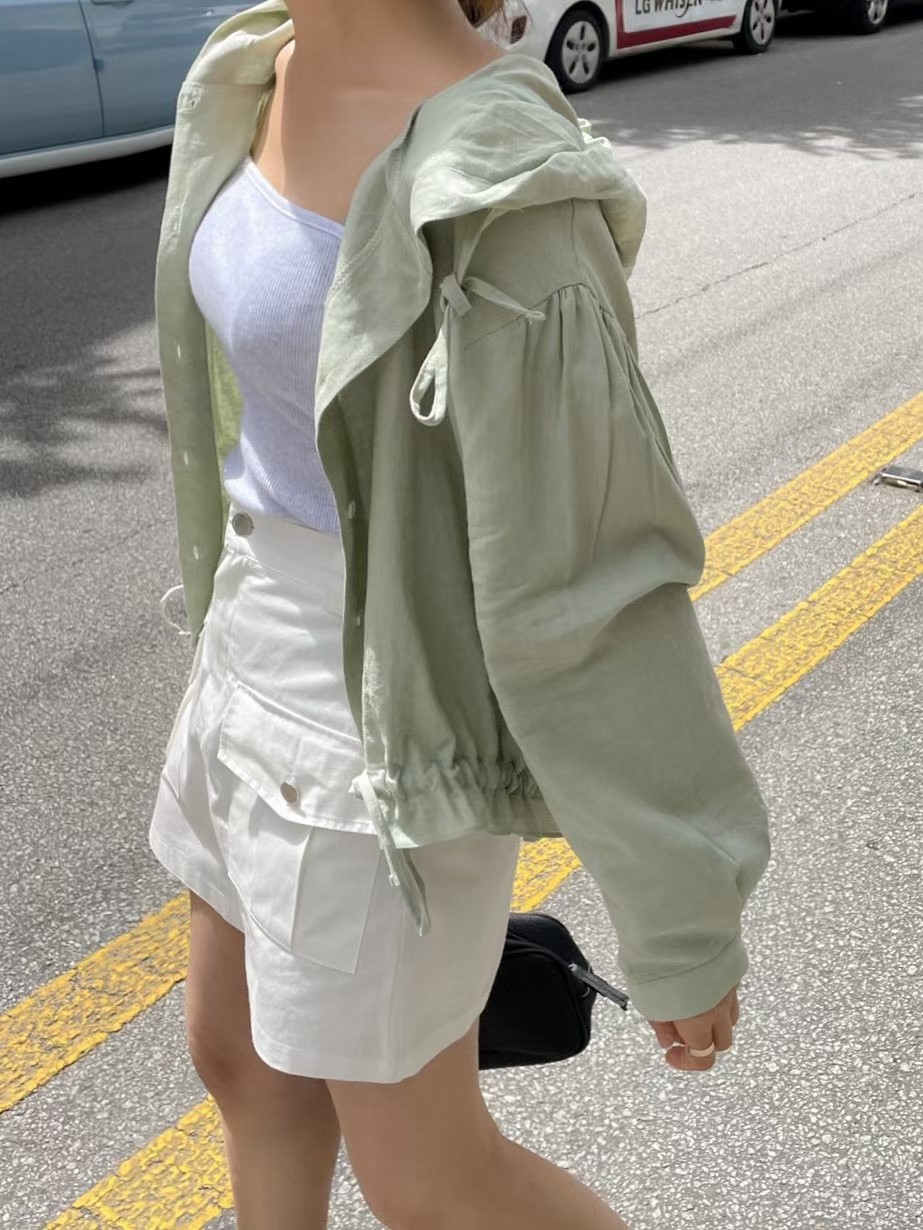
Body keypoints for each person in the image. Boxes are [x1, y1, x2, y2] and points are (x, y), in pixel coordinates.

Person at [148, 1, 771, 1227]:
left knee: (429, 1181)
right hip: (244, 641)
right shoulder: (251, 66)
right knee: (240, 1063)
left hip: (378, 714)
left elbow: (590, 578)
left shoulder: (503, 190)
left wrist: (678, 914)